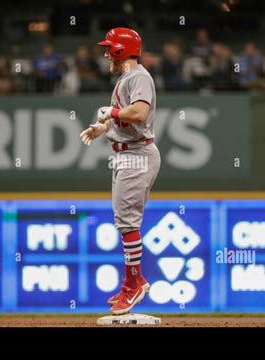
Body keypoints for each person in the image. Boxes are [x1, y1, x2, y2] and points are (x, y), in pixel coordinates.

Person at [79, 28, 161, 315]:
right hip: (128, 153)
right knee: (124, 222)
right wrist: (102, 128)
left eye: (109, 48)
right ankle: (131, 283)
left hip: (137, 153)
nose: (105, 53)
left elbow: (138, 113)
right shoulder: (128, 77)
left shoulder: (138, 76)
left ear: (119, 51)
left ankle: (135, 284)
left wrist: (110, 114)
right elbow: (124, 119)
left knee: (127, 223)